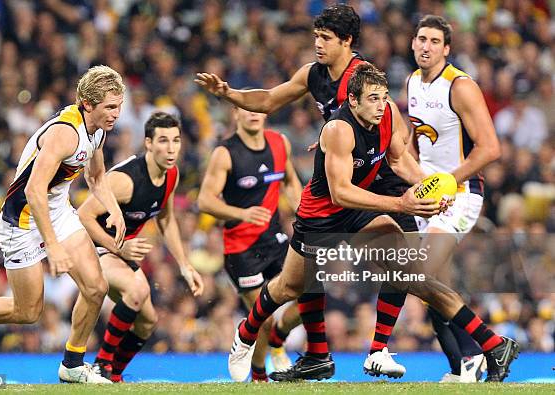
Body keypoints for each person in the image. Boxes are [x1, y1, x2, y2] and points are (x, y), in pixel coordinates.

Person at [227, 63, 519, 384]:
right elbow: (339, 193)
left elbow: (398, 159)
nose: (381, 106)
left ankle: (492, 344)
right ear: (353, 101)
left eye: (383, 98)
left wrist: (428, 188)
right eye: (373, 99)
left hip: (362, 206)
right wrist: (400, 203)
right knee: (289, 287)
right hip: (322, 215)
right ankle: (246, 334)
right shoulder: (338, 130)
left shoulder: (388, 113)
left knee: (409, 271)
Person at [195, 4, 417, 380]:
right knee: (295, 284)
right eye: (315, 36)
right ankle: (261, 336)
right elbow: (267, 100)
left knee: (405, 258)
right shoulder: (314, 74)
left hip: (365, 184)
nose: (317, 43)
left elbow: (396, 137)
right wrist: (229, 93)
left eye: (325, 38)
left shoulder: (363, 81)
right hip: (334, 190)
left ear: (347, 42)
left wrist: (427, 181)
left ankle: (381, 349)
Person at [0, 65, 126, 383]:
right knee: (28, 312)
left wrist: (114, 208)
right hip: (22, 222)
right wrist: (53, 247)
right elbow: (33, 191)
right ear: (88, 103)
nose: (116, 113)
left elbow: (95, 176)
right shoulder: (65, 133)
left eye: (119, 105)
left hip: (56, 211)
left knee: (96, 287)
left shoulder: (97, 129)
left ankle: (72, 365)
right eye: (110, 106)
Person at [366, 15, 511, 383]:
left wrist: (447, 183)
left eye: (433, 40)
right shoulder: (413, 81)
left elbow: (490, 148)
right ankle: (468, 364)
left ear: (446, 48)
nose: (425, 46)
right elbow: (419, 141)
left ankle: (490, 347)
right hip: (429, 195)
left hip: (461, 194)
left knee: (418, 271)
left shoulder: (459, 86)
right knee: (434, 289)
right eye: (420, 39)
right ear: (412, 43)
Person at [78, 112, 204, 382]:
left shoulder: (171, 175)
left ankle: (115, 378)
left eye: (176, 141)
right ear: (148, 143)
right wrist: (118, 247)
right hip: (90, 245)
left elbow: (166, 219)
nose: (171, 149)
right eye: (163, 141)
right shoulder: (125, 181)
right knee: (137, 290)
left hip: (117, 250)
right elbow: (83, 215)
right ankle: (101, 365)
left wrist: (184, 264)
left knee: (147, 322)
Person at [197, 104, 303, 381]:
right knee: (264, 319)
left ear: (265, 113)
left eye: (258, 108)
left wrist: (304, 212)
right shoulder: (225, 153)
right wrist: (242, 213)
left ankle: (279, 340)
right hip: (241, 248)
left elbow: (290, 180)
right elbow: (205, 200)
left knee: (312, 297)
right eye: (246, 108)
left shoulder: (280, 143)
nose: (253, 113)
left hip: (275, 240)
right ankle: (258, 376)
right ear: (235, 113)